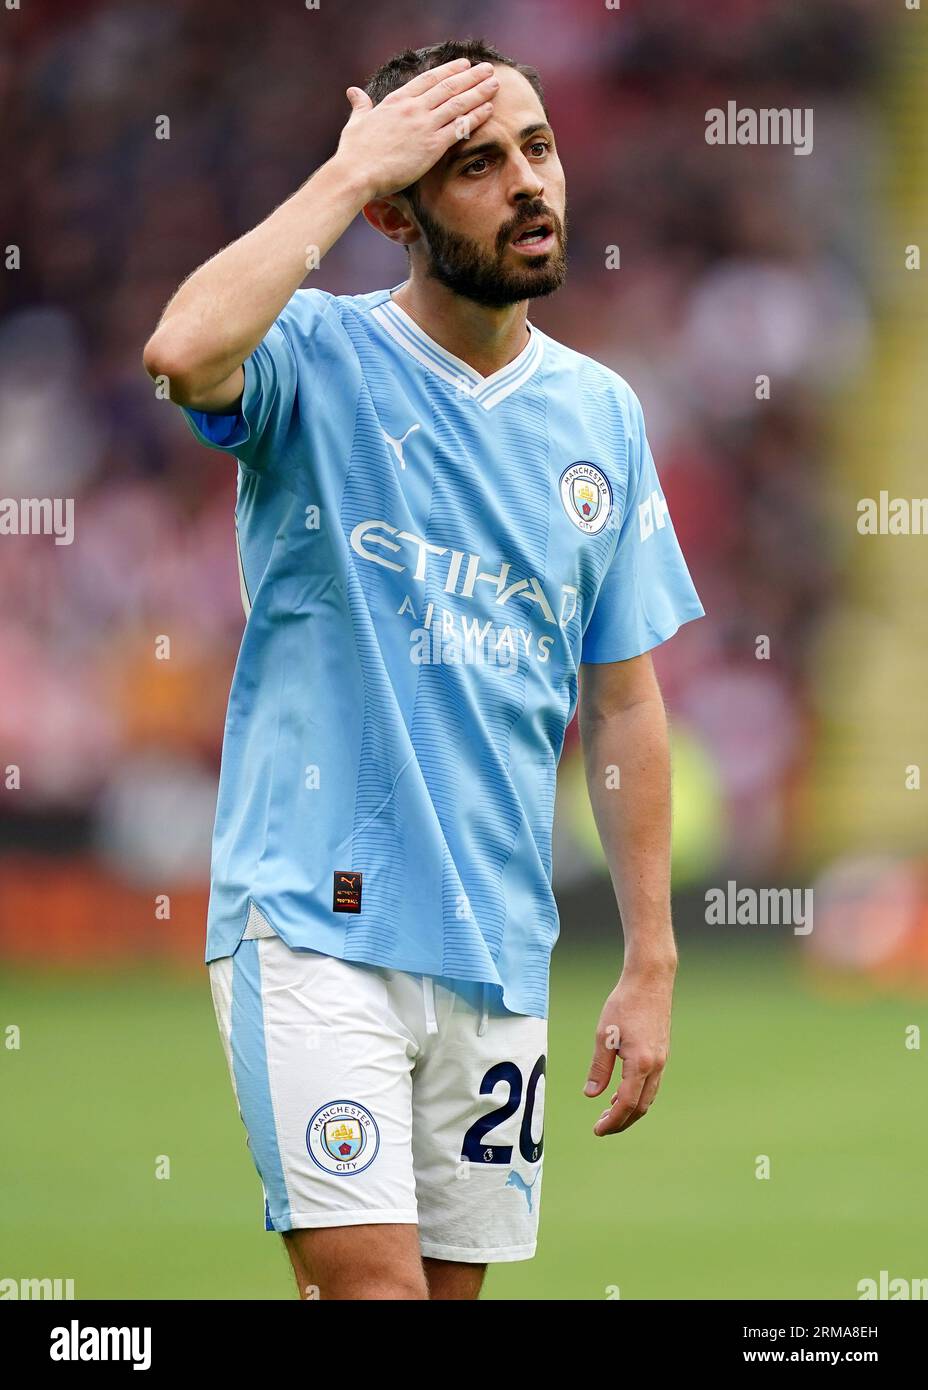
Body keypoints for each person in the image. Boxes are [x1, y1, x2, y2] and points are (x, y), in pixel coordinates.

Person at [142, 37, 704, 1302]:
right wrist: (346, 174)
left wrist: (651, 959)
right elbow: (181, 350)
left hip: (498, 952)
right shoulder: (317, 356)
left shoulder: (600, 417)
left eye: (539, 148)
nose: (527, 184)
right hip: (314, 927)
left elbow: (622, 700)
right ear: (396, 204)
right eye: (473, 163)